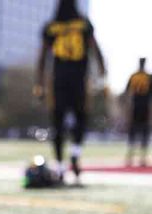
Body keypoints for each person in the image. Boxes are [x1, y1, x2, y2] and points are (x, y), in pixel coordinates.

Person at [35, 0, 106, 184]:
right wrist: (102, 73)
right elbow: (95, 49)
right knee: (81, 118)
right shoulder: (83, 24)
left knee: (57, 124)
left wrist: (39, 83)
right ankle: (75, 152)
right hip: (79, 81)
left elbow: (42, 57)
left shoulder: (51, 27)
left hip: (58, 81)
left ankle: (59, 166)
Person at [125, 58, 152, 167]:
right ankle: (142, 158)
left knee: (133, 132)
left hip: (135, 106)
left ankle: (130, 157)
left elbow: (126, 91)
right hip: (144, 107)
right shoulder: (148, 77)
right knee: (144, 132)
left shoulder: (134, 76)